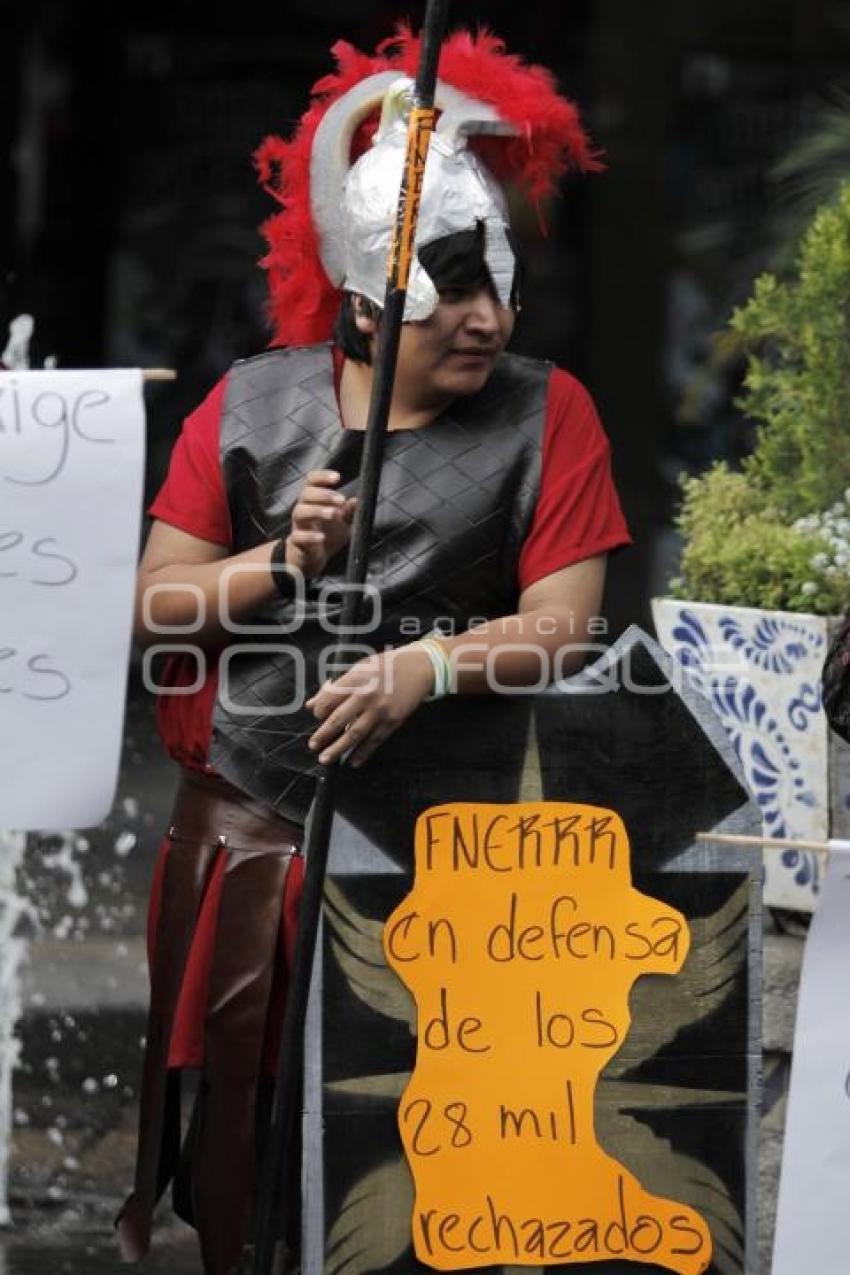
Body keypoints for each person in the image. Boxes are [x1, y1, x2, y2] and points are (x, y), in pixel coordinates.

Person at [117, 27, 631, 1275]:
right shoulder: (248, 402)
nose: (485, 318)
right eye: (450, 290)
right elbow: (155, 607)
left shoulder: (548, 410)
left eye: (495, 286)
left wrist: (427, 666)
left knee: (419, 1178)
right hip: (247, 838)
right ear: (363, 299)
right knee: (239, 1164)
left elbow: (565, 626)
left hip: (448, 856)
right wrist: (278, 565)